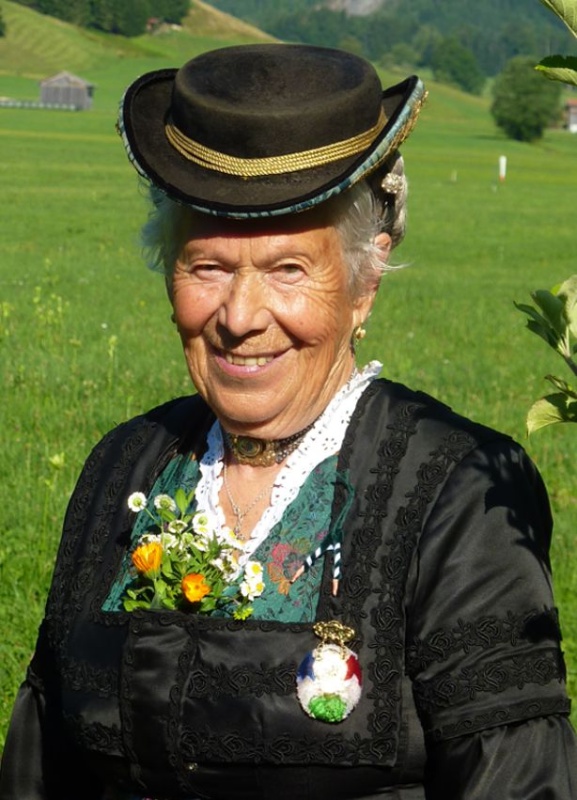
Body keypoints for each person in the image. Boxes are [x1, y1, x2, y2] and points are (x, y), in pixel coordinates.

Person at [1, 43, 576, 800]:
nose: (240, 317)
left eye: (288, 270)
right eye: (207, 266)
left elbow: (517, 780)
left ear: (364, 283)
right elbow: (40, 764)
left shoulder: (453, 491)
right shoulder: (126, 466)